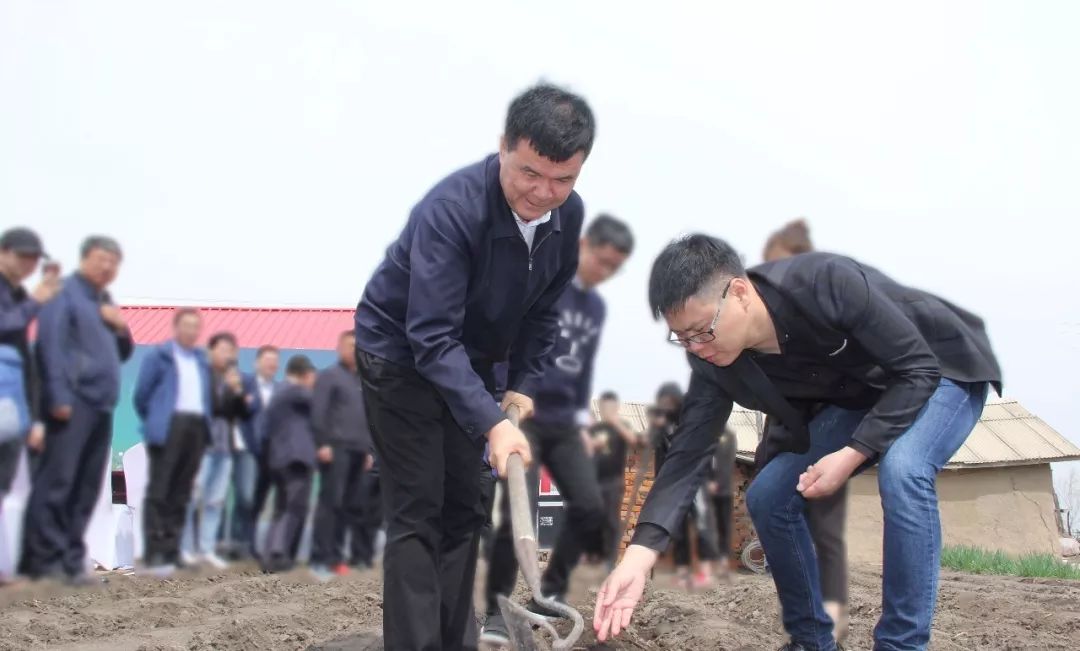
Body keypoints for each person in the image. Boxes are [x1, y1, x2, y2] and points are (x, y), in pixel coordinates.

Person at [595, 235, 1002, 651]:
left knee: (904, 469)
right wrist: (638, 557)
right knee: (770, 495)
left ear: (738, 292)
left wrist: (853, 453)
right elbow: (687, 453)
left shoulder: (825, 284)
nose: (697, 347)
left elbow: (916, 371)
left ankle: (901, 643)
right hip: (862, 397)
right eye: (682, 337)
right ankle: (812, 642)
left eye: (702, 331)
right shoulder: (712, 361)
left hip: (938, 369)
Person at [354, 82, 595, 650]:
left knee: (465, 509)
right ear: (503, 146)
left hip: (473, 364)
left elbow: (544, 312)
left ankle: (454, 640)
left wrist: (520, 388)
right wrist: (492, 422)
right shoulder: (453, 210)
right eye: (529, 173)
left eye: (563, 179)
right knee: (419, 512)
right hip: (399, 356)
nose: (544, 192)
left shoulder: (568, 216)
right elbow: (431, 336)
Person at [481, 213, 633, 642]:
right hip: (523, 416)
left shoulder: (596, 307)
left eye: (613, 268)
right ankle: (496, 612)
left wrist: (583, 419)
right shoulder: (546, 284)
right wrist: (499, 403)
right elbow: (508, 344)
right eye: (600, 261)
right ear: (583, 246)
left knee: (588, 507)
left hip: (565, 424)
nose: (604, 272)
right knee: (516, 516)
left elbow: (581, 369)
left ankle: (544, 595)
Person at [21, 236, 132, 583]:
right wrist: (57, 396)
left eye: (114, 262)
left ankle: (70, 560)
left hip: (100, 406)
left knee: (86, 485)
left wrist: (120, 326)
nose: (107, 267)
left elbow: (122, 353)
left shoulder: (103, 302)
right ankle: (43, 561)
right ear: (85, 259)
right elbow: (49, 347)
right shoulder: (64, 294)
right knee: (58, 481)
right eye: (101, 259)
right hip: (72, 401)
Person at [762, 218, 848, 641]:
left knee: (827, 536)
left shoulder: (826, 317)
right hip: (802, 443)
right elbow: (779, 419)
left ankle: (828, 627)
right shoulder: (767, 338)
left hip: (838, 434)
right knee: (776, 505)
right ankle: (814, 635)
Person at [134, 308, 213, 575]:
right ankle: (154, 551)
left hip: (196, 426)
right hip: (169, 426)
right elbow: (142, 395)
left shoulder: (201, 360)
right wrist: (157, 420)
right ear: (176, 327)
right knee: (160, 490)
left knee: (182, 491)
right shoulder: (159, 356)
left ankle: (173, 548)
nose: (191, 331)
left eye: (195, 327)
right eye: (186, 326)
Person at [0, 228, 60, 512]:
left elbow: (27, 359)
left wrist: (34, 416)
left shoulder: (19, 293)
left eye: (35, 258)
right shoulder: (25, 298)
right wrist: (35, 301)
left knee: (4, 481)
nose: (29, 264)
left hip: (12, 406)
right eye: (23, 255)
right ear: (3, 252)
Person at [180, 333, 249, 569]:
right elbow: (208, 407)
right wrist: (227, 389)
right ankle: (186, 548)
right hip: (203, 446)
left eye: (231, 350)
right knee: (192, 496)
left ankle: (207, 549)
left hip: (224, 446)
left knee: (216, 500)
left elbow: (240, 414)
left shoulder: (232, 378)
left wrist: (237, 392)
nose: (227, 354)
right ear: (210, 351)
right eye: (222, 349)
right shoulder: (202, 376)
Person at [310, 330, 373, 578]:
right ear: (339, 348)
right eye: (349, 345)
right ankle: (321, 557)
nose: (354, 350)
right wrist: (322, 443)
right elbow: (318, 412)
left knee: (350, 505)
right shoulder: (329, 377)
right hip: (336, 449)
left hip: (359, 451)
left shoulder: (362, 381)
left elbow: (368, 417)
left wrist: (369, 450)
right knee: (331, 503)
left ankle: (337, 556)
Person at [648, 383, 721, 591]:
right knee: (677, 527)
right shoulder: (661, 427)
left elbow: (709, 449)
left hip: (699, 477)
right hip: (673, 482)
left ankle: (705, 572)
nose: (666, 404)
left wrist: (713, 477)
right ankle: (682, 573)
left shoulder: (693, 421)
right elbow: (660, 458)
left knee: (703, 523)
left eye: (669, 400)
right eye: (663, 401)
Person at [260, 354, 318, 573]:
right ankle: (277, 553)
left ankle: (272, 553)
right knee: (293, 507)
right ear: (304, 375)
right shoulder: (294, 391)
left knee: (283, 507)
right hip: (296, 458)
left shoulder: (279, 394)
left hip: (280, 458)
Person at [589, 391, 639, 568]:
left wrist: (615, 422)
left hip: (613, 482)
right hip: (595, 482)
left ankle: (610, 561)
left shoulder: (622, 425)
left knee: (611, 521)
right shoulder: (596, 428)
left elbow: (634, 440)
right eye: (603, 407)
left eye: (609, 407)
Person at [240, 345, 280, 559]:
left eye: (274, 360)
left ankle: (261, 548)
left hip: (272, 457)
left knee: (264, 502)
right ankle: (246, 545)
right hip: (248, 453)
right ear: (257, 363)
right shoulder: (246, 385)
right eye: (267, 359)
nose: (271, 364)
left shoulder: (280, 389)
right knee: (247, 500)